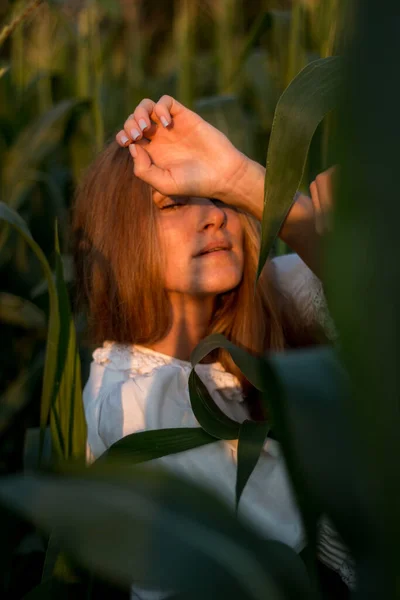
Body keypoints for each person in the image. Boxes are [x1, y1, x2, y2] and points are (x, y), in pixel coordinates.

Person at [72, 96, 352, 598]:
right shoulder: (133, 401)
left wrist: (237, 176)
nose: (214, 218)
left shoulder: (267, 301)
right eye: (175, 203)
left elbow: (371, 299)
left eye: (217, 198)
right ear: (117, 239)